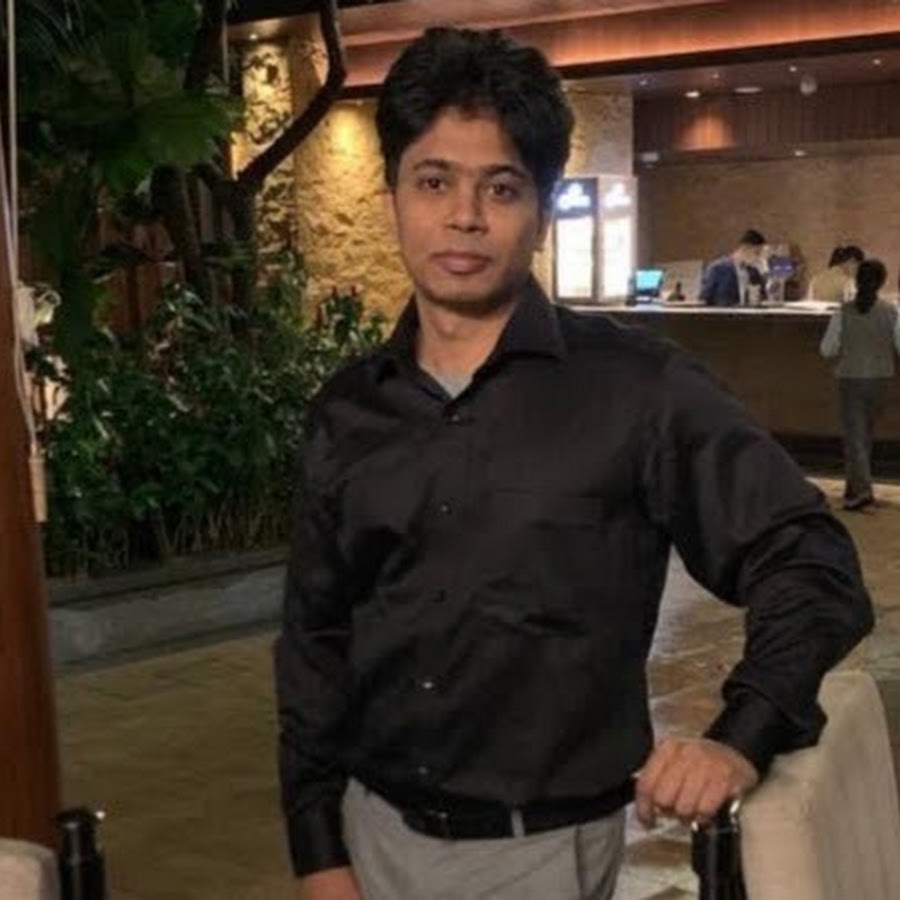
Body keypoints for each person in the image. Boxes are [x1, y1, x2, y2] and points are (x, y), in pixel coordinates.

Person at [275, 27, 873, 900]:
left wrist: (741, 734)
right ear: (392, 194)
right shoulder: (348, 410)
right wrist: (318, 853)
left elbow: (812, 564)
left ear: (542, 208)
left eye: (501, 187)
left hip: (541, 854)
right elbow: (313, 645)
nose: (465, 216)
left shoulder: (639, 390)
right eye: (434, 181)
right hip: (367, 838)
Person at [820, 258, 900, 510]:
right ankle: (854, 487)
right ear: (882, 282)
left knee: (855, 437)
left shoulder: (843, 312)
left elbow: (827, 349)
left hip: (851, 377)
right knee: (865, 435)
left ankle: (861, 491)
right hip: (881, 377)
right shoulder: (891, 311)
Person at [699, 229, 768, 306]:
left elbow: (763, 299)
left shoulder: (754, 272)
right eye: (757, 253)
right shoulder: (717, 269)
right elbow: (704, 299)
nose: (758, 258)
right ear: (745, 248)